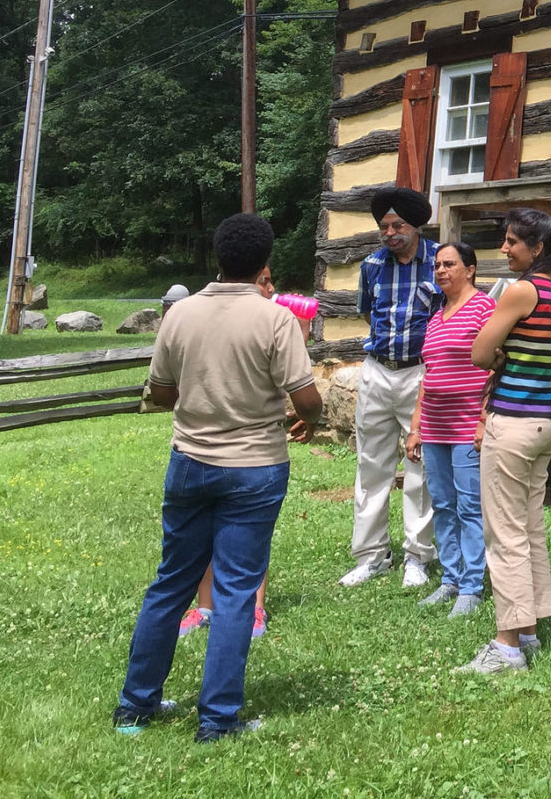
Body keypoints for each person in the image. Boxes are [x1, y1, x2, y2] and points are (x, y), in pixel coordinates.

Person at [114, 213, 324, 742]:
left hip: (189, 462)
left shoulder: (179, 314)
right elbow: (307, 400)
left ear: (218, 256)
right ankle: (217, 721)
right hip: (254, 467)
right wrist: (306, 417)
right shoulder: (274, 318)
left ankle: (134, 710)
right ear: (263, 264)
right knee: (235, 592)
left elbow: (160, 393)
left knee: (170, 585)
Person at [456, 209, 551, 675]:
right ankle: (529, 630)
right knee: (529, 528)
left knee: (503, 535)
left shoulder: (521, 290)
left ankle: (506, 645)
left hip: (513, 426)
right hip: (547, 424)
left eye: (511, 242)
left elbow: (480, 352)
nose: (504, 249)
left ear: (536, 249)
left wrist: (500, 351)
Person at [341, 185, 439, 589]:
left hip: (421, 372)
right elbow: (368, 312)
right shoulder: (372, 265)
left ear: (415, 225)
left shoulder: (439, 261)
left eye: (397, 225)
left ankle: (417, 556)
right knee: (371, 464)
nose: (389, 232)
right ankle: (371, 555)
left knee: (419, 467)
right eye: (384, 226)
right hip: (378, 370)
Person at [179, 265, 283, 642]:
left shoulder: (273, 322)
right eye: (264, 281)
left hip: (254, 454)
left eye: (271, 281)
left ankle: (255, 608)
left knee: (252, 539)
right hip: (204, 448)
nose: (271, 288)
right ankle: (205, 606)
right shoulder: (209, 317)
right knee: (206, 535)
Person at [404, 241, 495, 617]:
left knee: (470, 506)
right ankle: (450, 579)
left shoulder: (484, 308)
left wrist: (483, 420)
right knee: (442, 504)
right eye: (437, 265)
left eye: (449, 264)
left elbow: (496, 366)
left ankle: (473, 586)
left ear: (470, 269)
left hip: (466, 426)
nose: (441, 271)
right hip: (436, 426)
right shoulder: (437, 316)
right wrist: (416, 427)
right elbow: (430, 375)